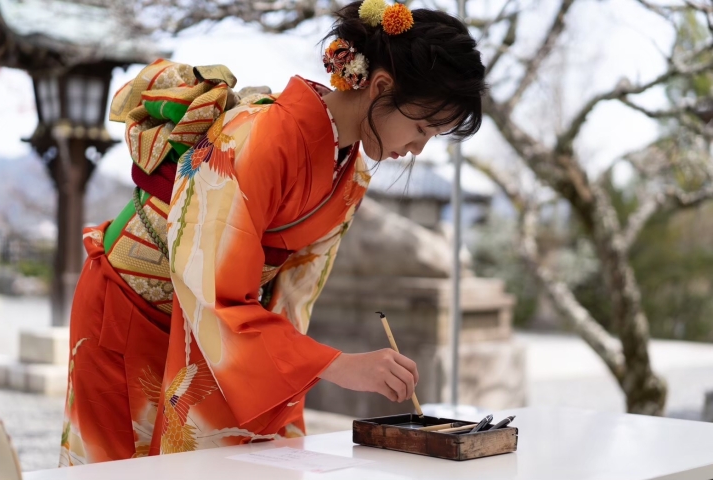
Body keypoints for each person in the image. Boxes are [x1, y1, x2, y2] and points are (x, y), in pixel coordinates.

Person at [59, 0, 486, 466]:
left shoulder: (353, 177)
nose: (419, 148)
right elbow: (212, 289)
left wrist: (289, 393)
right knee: (117, 467)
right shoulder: (255, 135)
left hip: (213, 325)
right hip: (134, 305)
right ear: (380, 87)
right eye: (421, 127)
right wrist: (337, 365)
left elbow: (289, 302)